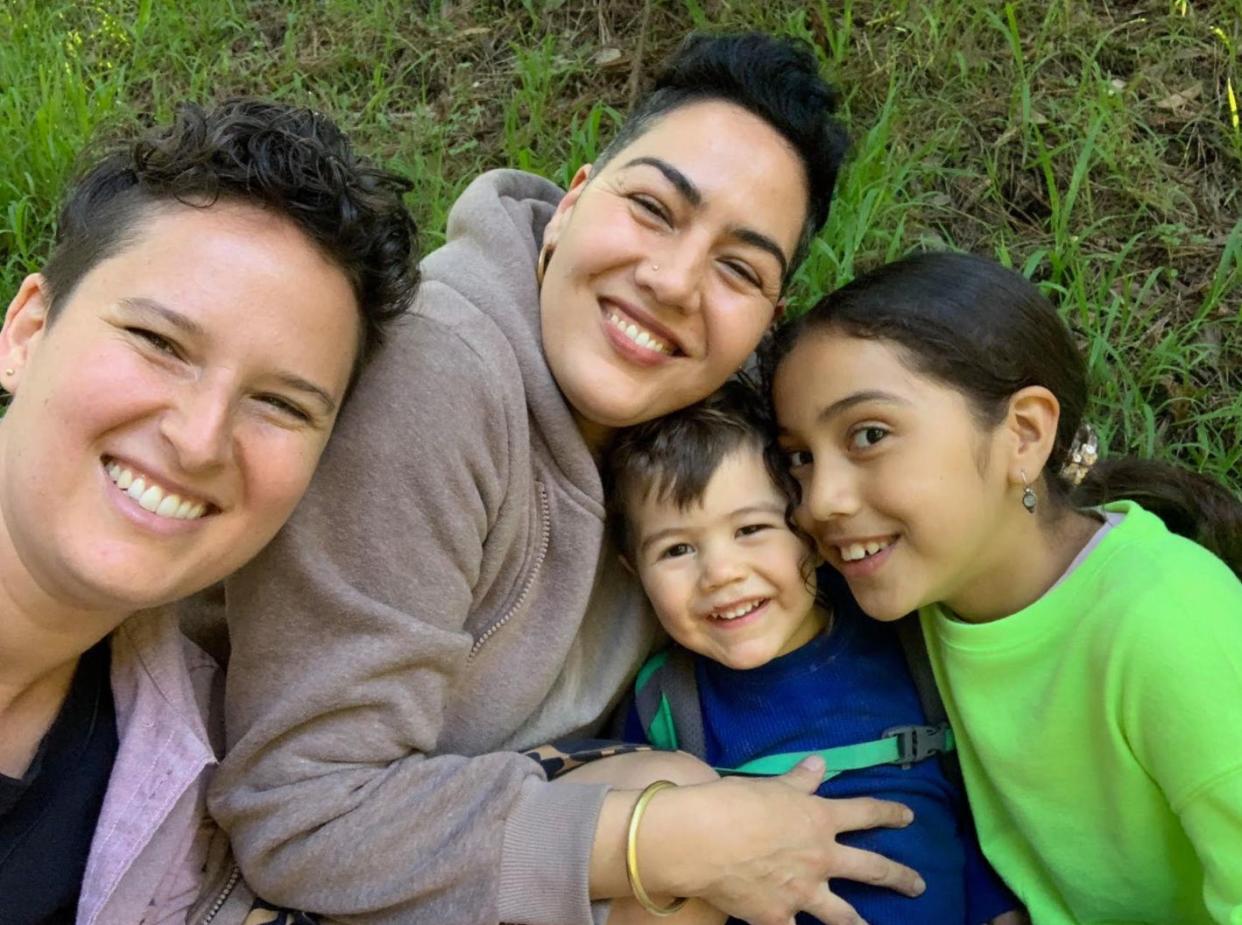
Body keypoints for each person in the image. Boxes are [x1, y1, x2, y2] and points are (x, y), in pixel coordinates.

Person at [205, 32, 927, 925]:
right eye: (654, 209)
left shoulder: (694, 437)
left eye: (737, 267)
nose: (672, 281)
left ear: (766, 322)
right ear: (573, 201)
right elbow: (301, 816)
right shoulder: (439, 379)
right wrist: (673, 840)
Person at [0, 98, 418, 923]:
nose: (199, 441)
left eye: (280, 405)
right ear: (26, 330)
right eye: (160, 343)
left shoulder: (179, 777)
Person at [767, 251, 1242, 925]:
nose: (821, 500)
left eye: (869, 434)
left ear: (1023, 435)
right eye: (800, 457)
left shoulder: (1168, 621)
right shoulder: (914, 605)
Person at [601, 377, 1020, 925]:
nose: (721, 573)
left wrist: (998, 909)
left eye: (751, 529)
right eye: (678, 549)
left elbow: (974, 803)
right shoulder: (665, 701)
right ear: (634, 571)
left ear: (811, 533)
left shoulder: (901, 639)